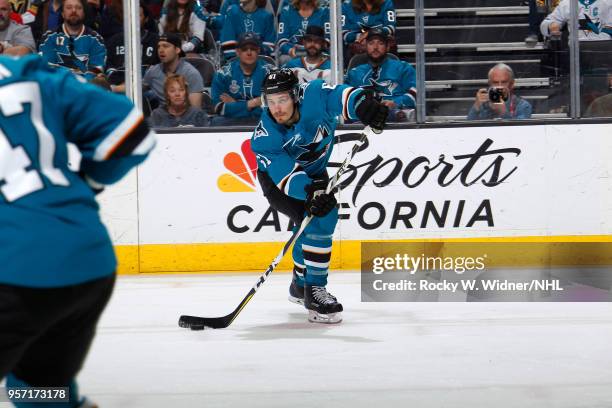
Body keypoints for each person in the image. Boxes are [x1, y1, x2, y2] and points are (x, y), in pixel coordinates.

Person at [0, 54, 155, 407]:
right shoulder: (28, 73)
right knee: (38, 390)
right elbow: (132, 132)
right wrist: (85, 183)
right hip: (85, 262)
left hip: (13, 272)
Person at [250, 68, 388, 323]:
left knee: (308, 225)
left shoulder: (314, 95)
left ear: (295, 95)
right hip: (280, 183)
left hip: (316, 172)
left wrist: (364, 106)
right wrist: (310, 191)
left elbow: (342, 96)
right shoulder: (264, 137)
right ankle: (314, 290)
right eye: (271, 102)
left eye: (282, 99)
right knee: (322, 216)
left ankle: (300, 282)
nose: (276, 108)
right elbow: (285, 176)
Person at [345, 27, 416, 122]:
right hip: (362, 120)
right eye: (371, 43)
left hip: (396, 119)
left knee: (398, 114)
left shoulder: (403, 68)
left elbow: (416, 93)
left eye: (380, 43)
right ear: (366, 46)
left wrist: (396, 103)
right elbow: (345, 98)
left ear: (387, 47)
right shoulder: (354, 73)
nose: (375, 47)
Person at [211, 31, 274, 126]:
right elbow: (218, 108)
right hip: (231, 121)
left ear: (258, 51)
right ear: (237, 52)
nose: (249, 53)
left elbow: (274, 106)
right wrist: (253, 103)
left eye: (253, 49)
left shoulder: (272, 73)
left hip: (262, 121)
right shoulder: (222, 74)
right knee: (216, 121)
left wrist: (235, 104)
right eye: (244, 49)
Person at [38, 0, 106, 80]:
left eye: (78, 8)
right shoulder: (49, 37)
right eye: (69, 7)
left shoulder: (96, 40)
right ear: (62, 14)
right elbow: (47, 69)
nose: (74, 10)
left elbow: (96, 71)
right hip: (57, 88)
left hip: (85, 88)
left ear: (84, 13)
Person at [105, 1, 160, 92]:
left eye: (138, 15)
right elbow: (109, 67)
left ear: (146, 19)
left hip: (148, 88)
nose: (133, 18)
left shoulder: (155, 41)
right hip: (117, 85)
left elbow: (158, 71)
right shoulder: (114, 41)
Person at [142, 32, 204, 108]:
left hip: (186, 117)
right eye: (158, 47)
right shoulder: (153, 72)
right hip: (162, 117)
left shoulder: (191, 74)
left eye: (165, 46)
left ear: (177, 50)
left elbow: (195, 110)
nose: (161, 50)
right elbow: (136, 89)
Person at [467, 63, 533, 120]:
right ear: (489, 84)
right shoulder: (482, 104)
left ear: (512, 84)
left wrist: (503, 112)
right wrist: (476, 107)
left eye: (504, 82)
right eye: (495, 82)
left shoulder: (523, 105)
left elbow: (521, 131)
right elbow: (467, 130)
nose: (499, 86)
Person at [276, 0, 329, 65]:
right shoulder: (286, 11)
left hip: (317, 52)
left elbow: (328, 39)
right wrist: (289, 50)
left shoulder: (324, 12)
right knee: (284, 59)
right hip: (293, 54)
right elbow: (282, 40)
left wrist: (317, 49)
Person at [540, 0, 612, 42]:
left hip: (604, 49)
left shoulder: (608, 2)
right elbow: (547, 22)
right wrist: (551, 25)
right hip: (575, 52)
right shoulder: (567, 3)